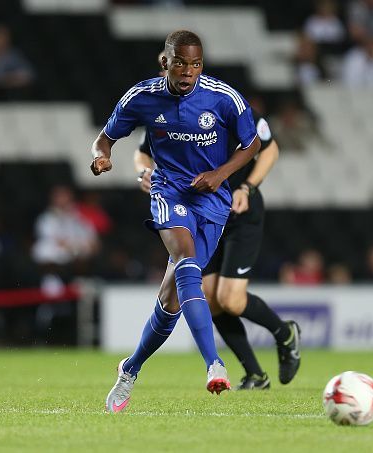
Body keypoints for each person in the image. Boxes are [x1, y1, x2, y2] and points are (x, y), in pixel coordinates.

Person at [90, 30, 262, 412]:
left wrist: (220, 174)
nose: (188, 71)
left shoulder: (223, 97)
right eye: (181, 62)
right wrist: (102, 156)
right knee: (187, 263)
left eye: (196, 64)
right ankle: (213, 363)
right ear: (164, 62)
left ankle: (130, 369)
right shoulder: (143, 97)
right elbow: (104, 138)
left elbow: (252, 145)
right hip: (168, 192)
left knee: (170, 300)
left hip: (212, 201)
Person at [134, 78, 301, 390]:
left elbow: (269, 148)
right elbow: (142, 153)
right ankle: (255, 374)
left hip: (239, 212)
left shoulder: (228, 105)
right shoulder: (166, 115)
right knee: (208, 299)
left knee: (230, 299)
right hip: (199, 214)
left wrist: (247, 188)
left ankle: (285, 333)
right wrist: (145, 173)